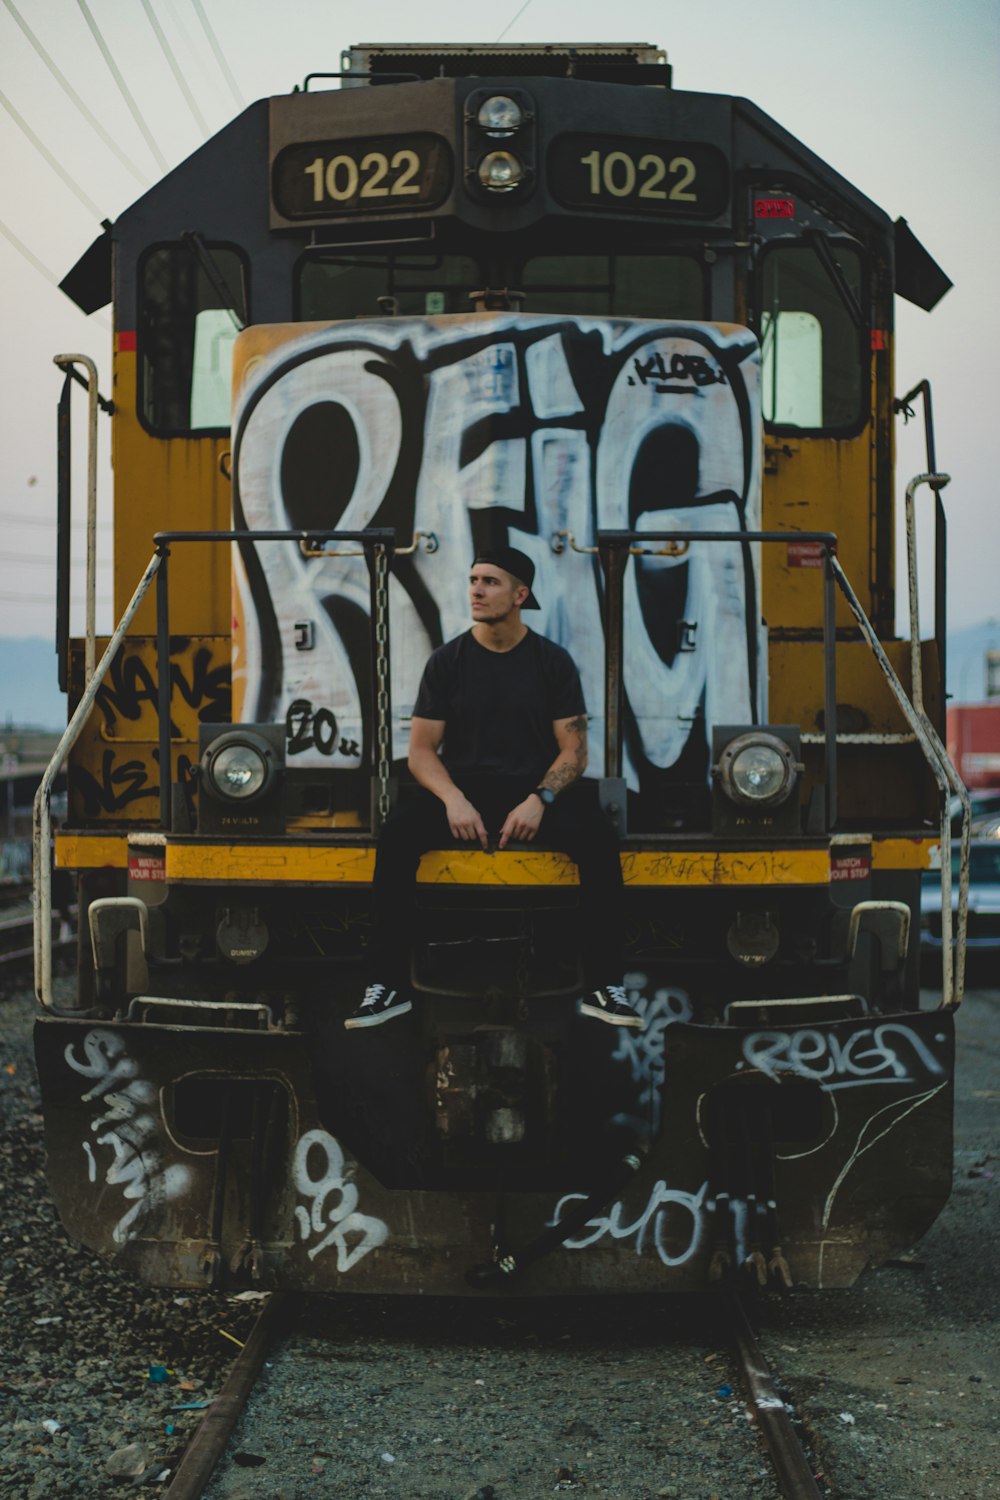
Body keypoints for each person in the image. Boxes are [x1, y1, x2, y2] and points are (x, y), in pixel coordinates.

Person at [345, 546, 642, 1031]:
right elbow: (421, 751)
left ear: (520, 594)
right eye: (473, 580)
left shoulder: (552, 662)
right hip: (465, 792)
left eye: (490, 582)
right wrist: (452, 799)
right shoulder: (448, 661)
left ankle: (605, 987)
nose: (477, 591)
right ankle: (387, 986)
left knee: (598, 840)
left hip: (532, 792)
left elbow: (574, 752)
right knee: (397, 836)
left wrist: (540, 799)